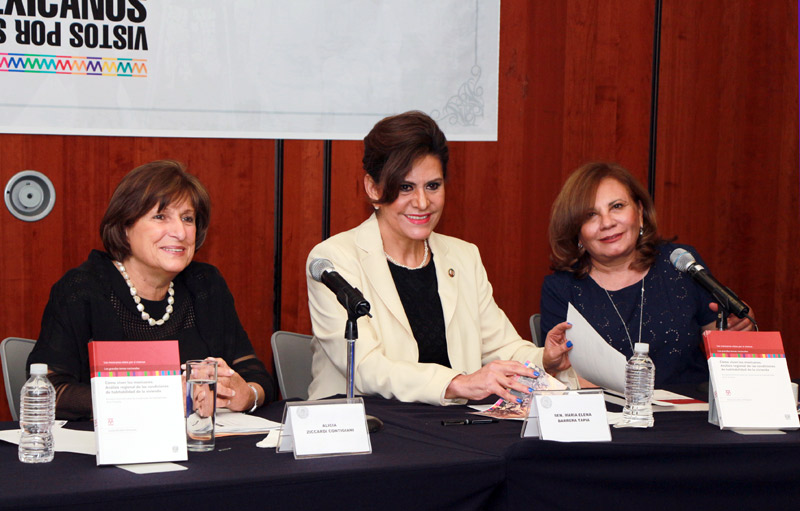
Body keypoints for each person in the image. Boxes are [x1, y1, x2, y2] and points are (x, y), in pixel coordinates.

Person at [306, 111, 576, 406]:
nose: (422, 202)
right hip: (368, 427)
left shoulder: (463, 256)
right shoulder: (334, 260)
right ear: (373, 188)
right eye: (406, 187)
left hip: (450, 425)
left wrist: (544, 358)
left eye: (433, 186)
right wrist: (458, 383)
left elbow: (502, 347)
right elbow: (367, 369)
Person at [28, 160, 275, 420]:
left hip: (199, 446)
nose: (180, 232)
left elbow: (257, 378)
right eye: (160, 217)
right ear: (125, 227)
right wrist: (152, 399)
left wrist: (244, 394)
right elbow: (50, 392)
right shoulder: (83, 290)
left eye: (187, 219)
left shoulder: (206, 285)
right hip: (105, 451)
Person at [541, 161, 754, 386]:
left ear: (640, 213)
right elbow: (563, 373)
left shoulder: (679, 263)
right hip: (610, 415)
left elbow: (723, 340)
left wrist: (736, 327)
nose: (607, 222)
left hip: (691, 409)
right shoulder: (561, 288)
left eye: (617, 206)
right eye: (590, 214)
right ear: (577, 232)